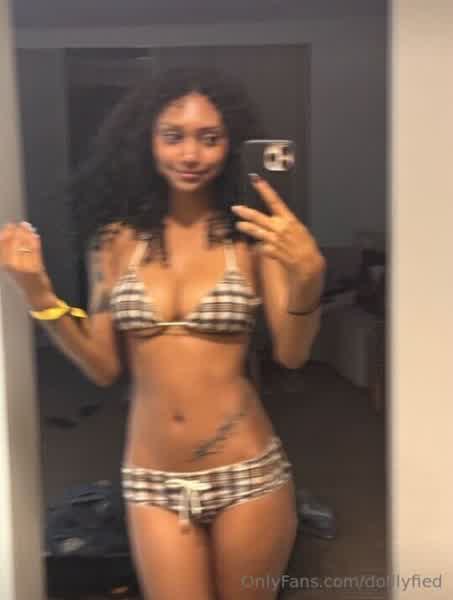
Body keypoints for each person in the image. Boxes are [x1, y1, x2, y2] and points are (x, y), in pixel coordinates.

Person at [0, 66, 326, 600]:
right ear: (147, 142)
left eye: (209, 138)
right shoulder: (114, 242)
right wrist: (39, 295)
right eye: (173, 136)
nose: (190, 155)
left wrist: (309, 279)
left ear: (230, 146)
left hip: (246, 469)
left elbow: (292, 354)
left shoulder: (251, 240)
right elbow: (102, 366)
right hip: (151, 478)